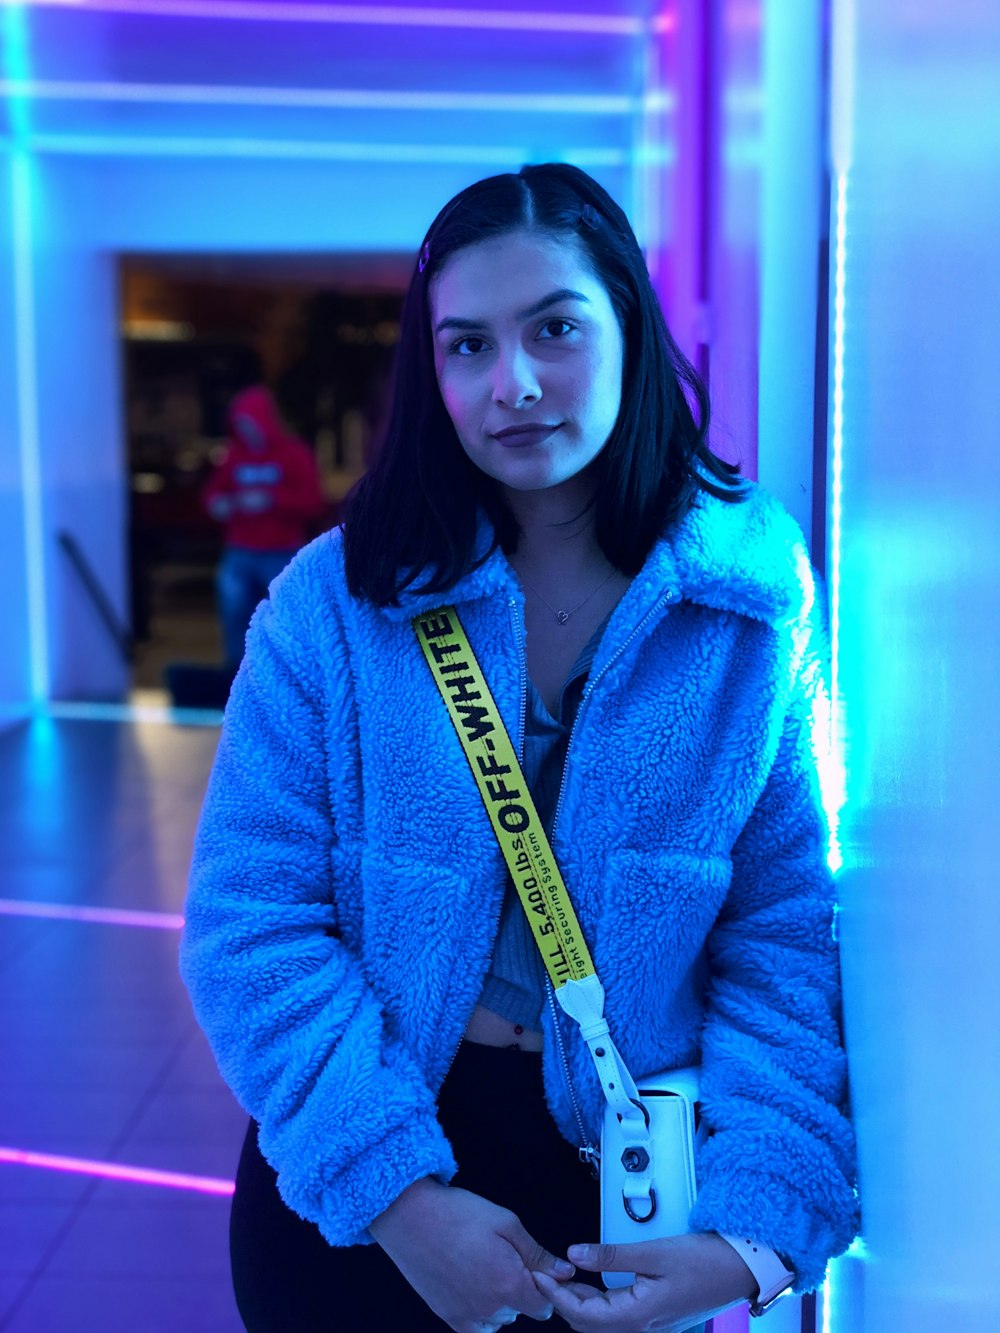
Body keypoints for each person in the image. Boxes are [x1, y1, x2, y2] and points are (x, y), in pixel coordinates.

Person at [181, 163, 858, 1333]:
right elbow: (251, 928)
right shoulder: (334, 610)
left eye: (555, 328)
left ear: (629, 329)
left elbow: (781, 943)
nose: (516, 384)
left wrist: (752, 1240)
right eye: (467, 347)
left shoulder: (746, 614)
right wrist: (400, 1200)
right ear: (429, 370)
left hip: (630, 1185)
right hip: (365, 1166)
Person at [200, 383, 327, 670]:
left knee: (284, 619)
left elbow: (313, 501)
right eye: (240, 424)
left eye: (250, 423)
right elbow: (212, 495)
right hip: (240, 550)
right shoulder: (233, 455)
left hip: (281, 552)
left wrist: (270, 500)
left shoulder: (295, 454)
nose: (247, 431)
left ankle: (288, 672)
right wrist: (222, 503)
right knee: (234, 615)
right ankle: (236, 674)